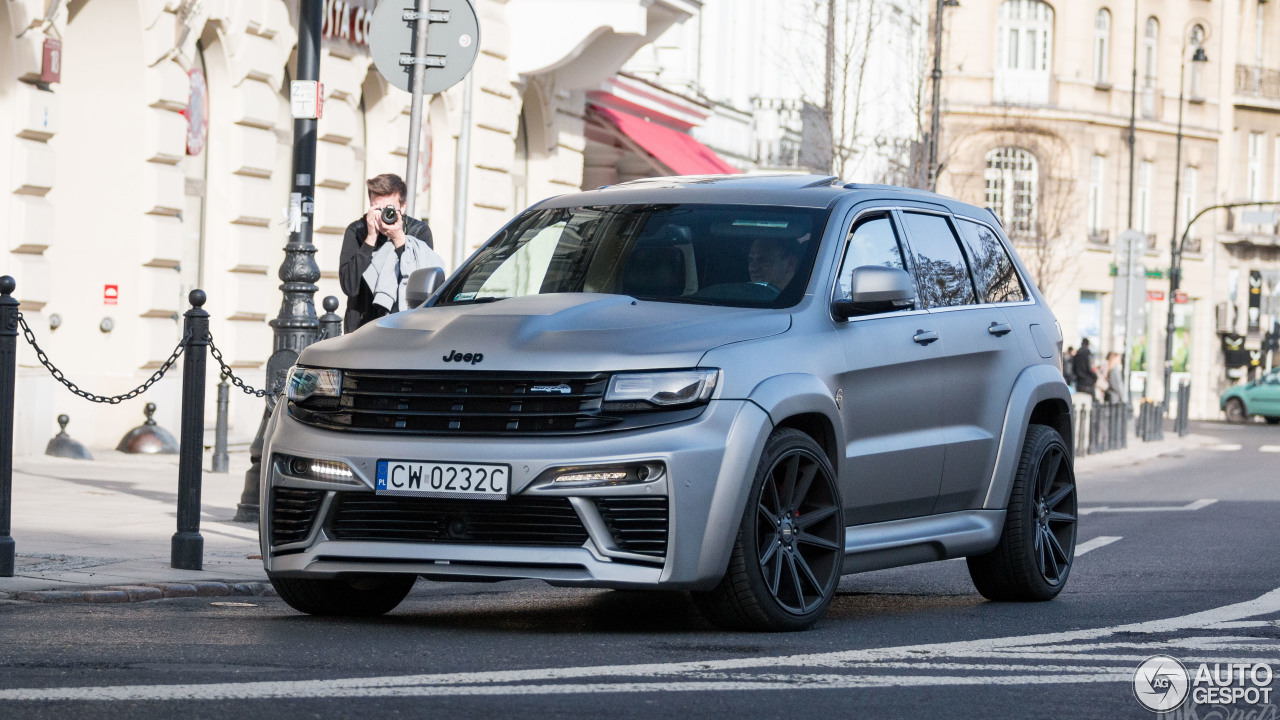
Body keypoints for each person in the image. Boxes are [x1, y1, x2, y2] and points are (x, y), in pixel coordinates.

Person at [338, 174, 443, 332]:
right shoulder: (357, 231)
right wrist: (370, 239)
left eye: (389, 209)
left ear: (402, 207)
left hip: (403, 326)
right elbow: (349, 287)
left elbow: (420, 283)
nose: (383, 216)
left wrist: (398, 238)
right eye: (377, 208)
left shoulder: (418, 232)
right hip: (361, 328)